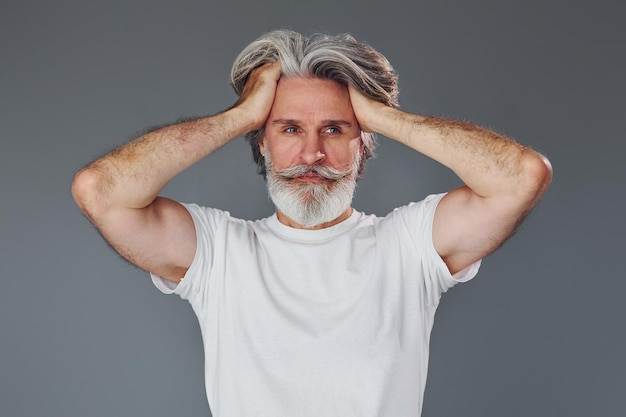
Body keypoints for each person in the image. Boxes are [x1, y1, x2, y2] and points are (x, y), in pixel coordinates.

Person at [72, 30, 552, 416]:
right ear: (262, 142)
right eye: (289, 128)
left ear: (363, 143)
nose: (311, 154)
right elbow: (101, 191)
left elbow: (521, 177)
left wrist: (379, 116)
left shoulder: (409, 245)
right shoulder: (218, 253)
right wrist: (242, 115)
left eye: (335, 129)